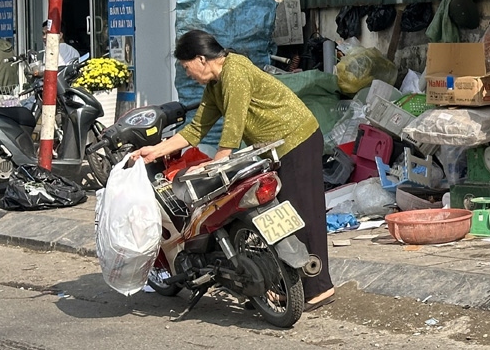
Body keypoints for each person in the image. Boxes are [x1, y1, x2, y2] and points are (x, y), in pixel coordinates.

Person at [131, 30, 336, 311]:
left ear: (201, 59)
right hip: (274, 147)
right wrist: (153, 151)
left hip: (298, 139)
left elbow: (235, 121)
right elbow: (197, 128)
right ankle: (277, 286)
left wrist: (221, 158)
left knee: (302, 214)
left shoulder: (235, 71)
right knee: (277, 215)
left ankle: (318, 288)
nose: (187, 73)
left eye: (187, 66)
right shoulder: (215, 84)